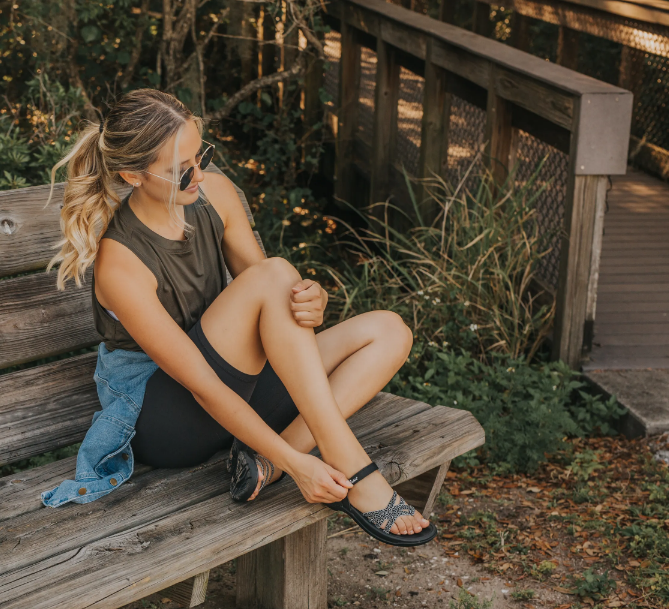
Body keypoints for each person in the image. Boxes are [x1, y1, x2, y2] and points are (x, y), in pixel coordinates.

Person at [40, 88, 435, 546]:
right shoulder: (120, 262)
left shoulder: (214, 193)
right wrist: (297, 465)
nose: (198, 174)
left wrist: (312, 301)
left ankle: (261, 463)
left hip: (234, 388)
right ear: (133, 174)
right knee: (274, 278)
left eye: (199, 156)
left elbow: (274, 299)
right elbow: (203, 384)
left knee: (389, 330)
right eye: (180, 170)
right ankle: (356, 470)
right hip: (166, 419)